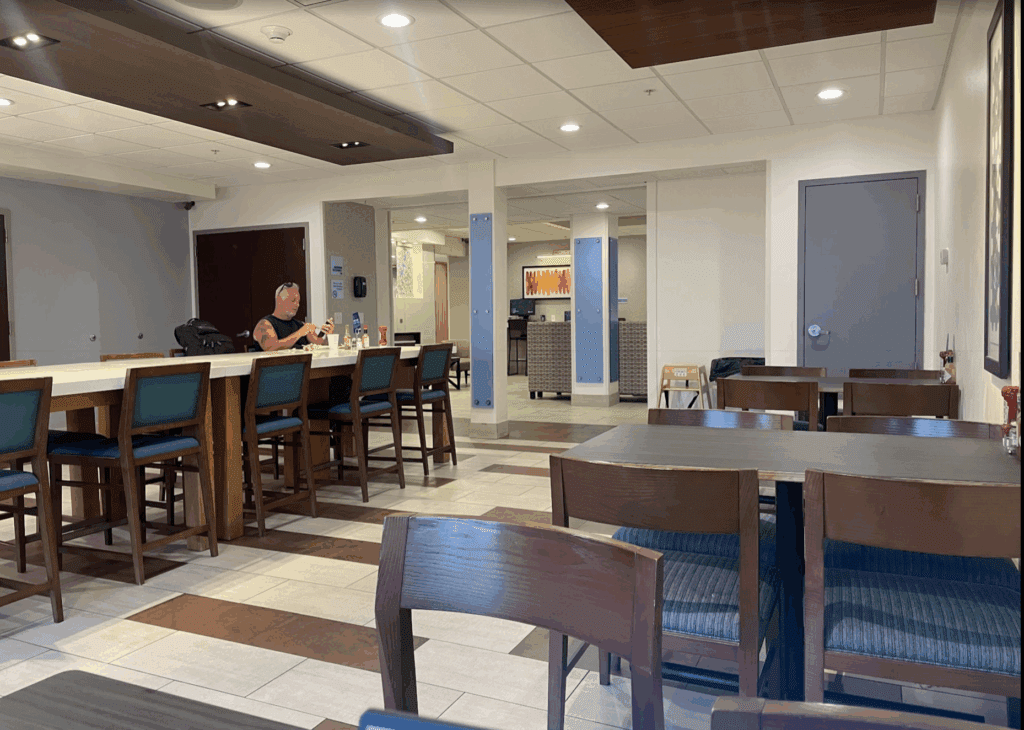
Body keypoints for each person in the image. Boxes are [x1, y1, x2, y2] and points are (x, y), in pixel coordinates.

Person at [253, 283, 334, 352]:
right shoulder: (264, 324)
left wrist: (328, 335)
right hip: (275, 368)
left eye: (298, 301)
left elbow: (321, 344)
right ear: (279, 300)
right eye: (292, 300)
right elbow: (270, 347)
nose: (297, 304)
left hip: (303, 367)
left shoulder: (301, 325)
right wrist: (300, 333)